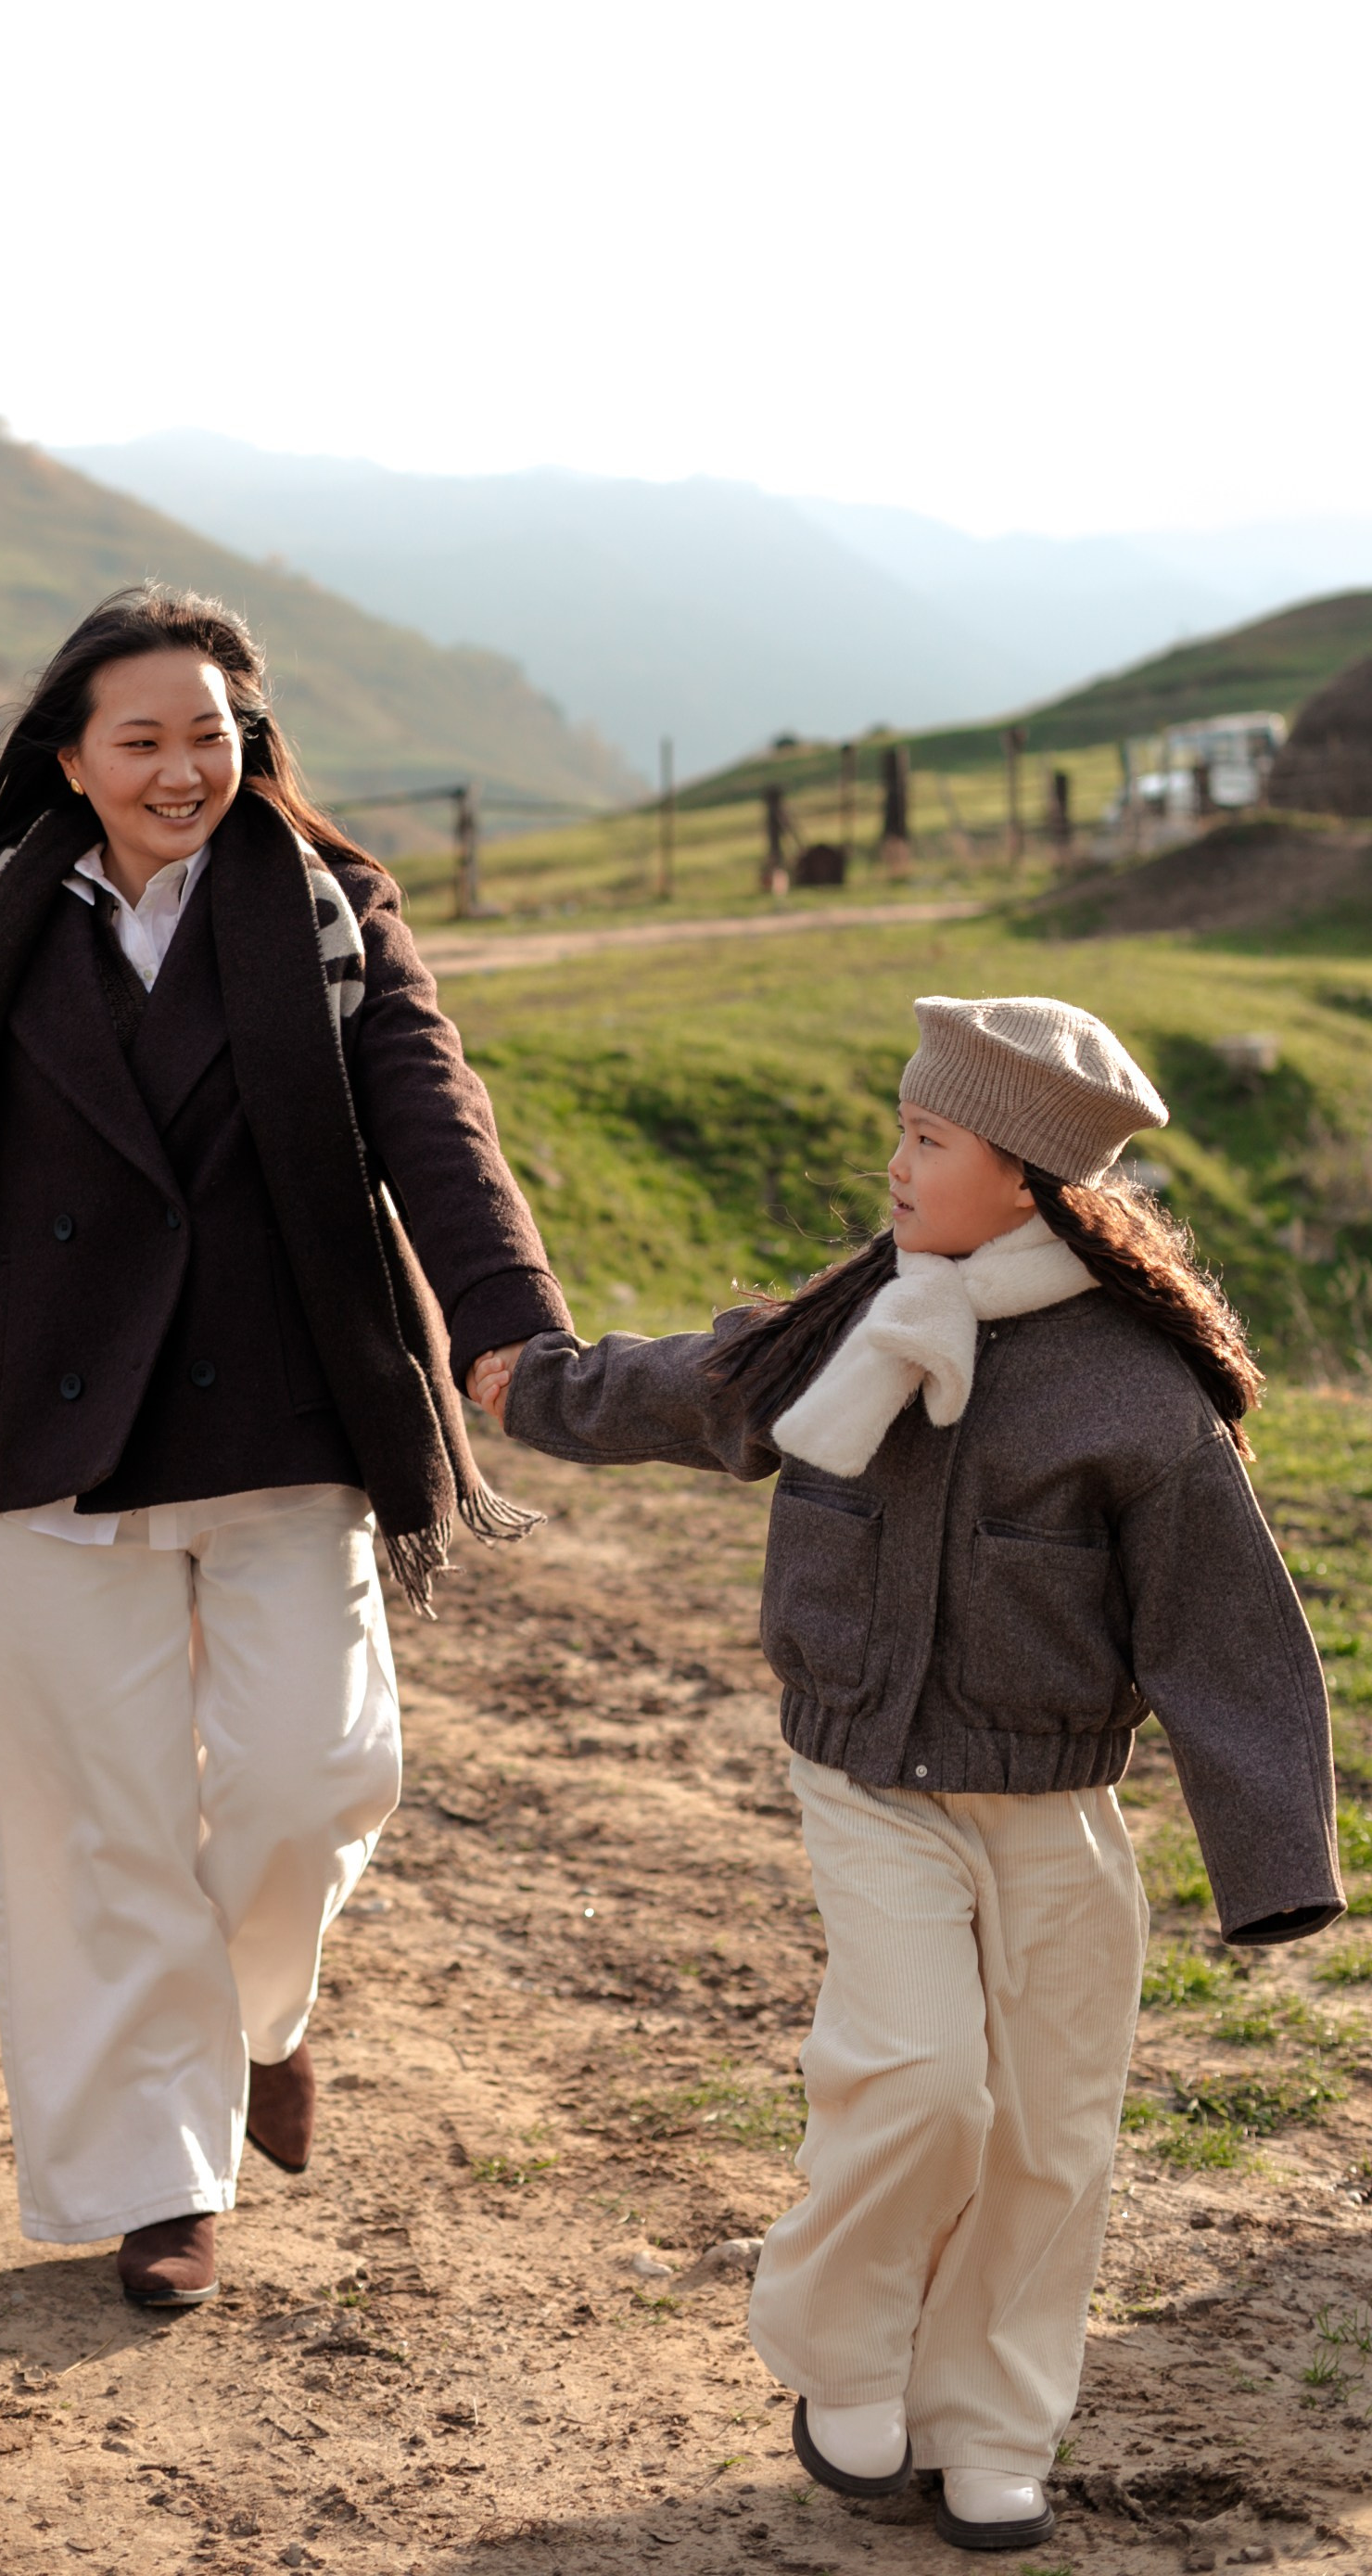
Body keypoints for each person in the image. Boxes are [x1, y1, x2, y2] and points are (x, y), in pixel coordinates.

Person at [481, 994, 1342, 2554]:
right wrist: (530, 1385)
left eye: (927, 1137)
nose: (896, 1159)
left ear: (1022, 1175)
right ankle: (844, 2356)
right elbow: (693, 1388)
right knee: (923, 2083)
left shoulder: (1135, 1401)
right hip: (867, 1780)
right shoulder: (849, 1323)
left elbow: (1229, 1637)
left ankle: (991, 2424)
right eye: (902, 1125)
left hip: (1055, 1805)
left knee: (1050, 2133)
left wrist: (1274, 1864)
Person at [0, 583, 568, 2309]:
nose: (188, 766)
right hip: (60, 1415)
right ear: (74, 753)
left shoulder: (331, 906)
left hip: (286, 1398)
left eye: (215, 733)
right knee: (93, 1824)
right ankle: (162, 2179)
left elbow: (429, 1104)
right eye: (146, 738)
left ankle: (264, 2007)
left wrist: (506, 1323)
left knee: (309, 1776)